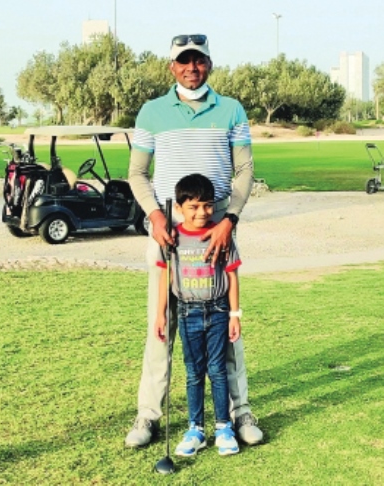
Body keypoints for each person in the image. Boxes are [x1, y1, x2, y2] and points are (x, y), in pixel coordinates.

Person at [125, 33, 262, 448]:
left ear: (209, 63)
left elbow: (244, 172)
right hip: (169, 228)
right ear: (172, 67)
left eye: (198, 60)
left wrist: (230, 220)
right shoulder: (151, 113)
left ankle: (239, 413)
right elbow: (137, 174)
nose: (191, 67)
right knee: (162, 325)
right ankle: (149, 415)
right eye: (183, 61)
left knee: (226, 322)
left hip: (218, 225)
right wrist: (153, 215)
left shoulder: (232, 110)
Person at [154, 173, 244, 457]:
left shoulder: (222, 234)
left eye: (207, 205)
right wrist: (160, 315)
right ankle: (196, 428)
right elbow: (164, 278)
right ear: (179, 208)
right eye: (193, 207)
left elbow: (232, 276)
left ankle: (223, 427)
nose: (202, 212)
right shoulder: (172, 238)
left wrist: (234, 314)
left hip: (217, 310)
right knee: (194, 372)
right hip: (186, 311)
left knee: (217, 370)